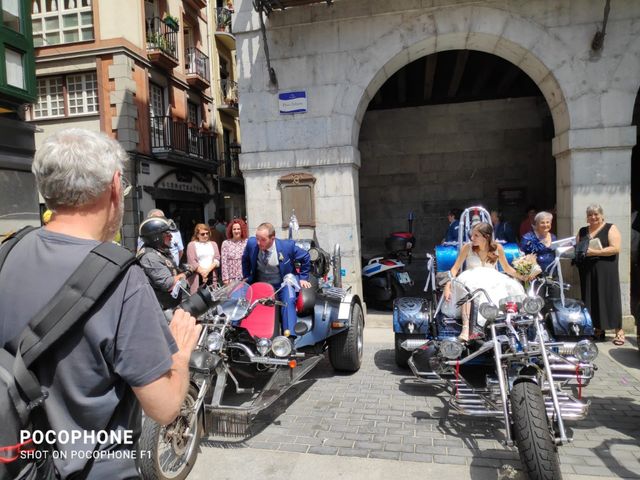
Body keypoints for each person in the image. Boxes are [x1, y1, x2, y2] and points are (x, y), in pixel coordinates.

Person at [0, 128, 200, 477]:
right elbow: (164, 407)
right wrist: (181, 355)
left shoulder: (7, 252)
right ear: (113, 186)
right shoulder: (123, 279)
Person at [443, 222, 529, 341]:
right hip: (470, 277)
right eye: (472, 235)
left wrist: (523, 276)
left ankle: (507, 328)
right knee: (469, 289)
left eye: (476, 235)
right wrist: (448, 285)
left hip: (492, 278)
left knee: (510, 287)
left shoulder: (497, 248)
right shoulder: (467, 247)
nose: (472, 238)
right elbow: (455, 268)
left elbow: (506, 268)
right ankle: (466, 329)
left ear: (486, 236)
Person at [242, 222, 311, 335]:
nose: (258, 242)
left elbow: (306, 257)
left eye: (263, 240)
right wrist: (246, 276)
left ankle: (290, 337)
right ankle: (242, 333)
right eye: (257, 238)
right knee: (242, 299)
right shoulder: (251, 243)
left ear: (272, 238)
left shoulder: (287, 246)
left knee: (289, 299)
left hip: (282, 284)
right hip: (260, 284)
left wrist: (303, 277)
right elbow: (245, 259)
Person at [575, 204, 624, 345]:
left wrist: (595, 252)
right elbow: (577, 248)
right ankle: (597, 329)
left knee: (610, 297)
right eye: (590, 215)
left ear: (602, 215)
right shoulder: (583, 230)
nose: (593, 217)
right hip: (587, 270)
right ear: (587, 217)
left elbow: (615, 248)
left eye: (596, 214)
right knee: (591, 298)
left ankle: (619, 331)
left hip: (606, 270)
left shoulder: (610, 228)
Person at [138, 216, 190, 309]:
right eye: (167, 234)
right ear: (156, 237)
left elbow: (170, 271)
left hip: (171, 304)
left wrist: (181, 270)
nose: (171, 237)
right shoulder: (150, 256)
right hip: (161, 309)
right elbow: (168, 284)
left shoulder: (161, 251)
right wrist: (186, 274)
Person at [186, 224, 220, 294]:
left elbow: (217, 258)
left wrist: (207, 271)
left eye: (207, 233)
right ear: (197, 235)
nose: (205, 235)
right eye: (202, 234)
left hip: (211, 274)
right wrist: (203, 273)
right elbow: (192, 262)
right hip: (197, 276)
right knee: (198, 301)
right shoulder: (191, 245)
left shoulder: (213, 244)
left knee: (213, 298)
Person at [221, 218, 249, 285]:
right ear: (231, 230)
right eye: (234, 229)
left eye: (238, 229)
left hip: (244, 278)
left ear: (242, 230)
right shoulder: (226, 243)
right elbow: (224, 262)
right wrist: (225, 279)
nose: (236, 231)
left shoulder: (246, 242)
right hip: (231, 279)